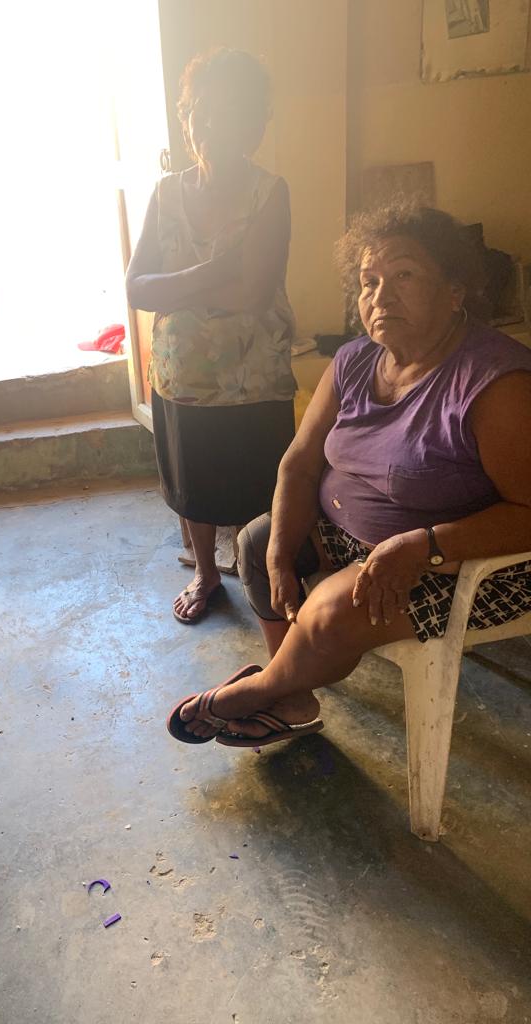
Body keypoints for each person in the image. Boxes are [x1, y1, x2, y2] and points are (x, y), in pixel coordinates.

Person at [168, 200, 531, 747]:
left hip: (458, 563)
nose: (380, 297)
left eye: (404, 276)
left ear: (454, 290)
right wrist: (281, 552)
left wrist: (422, 545)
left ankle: (260, 689)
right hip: (358, 539)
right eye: (368, 282)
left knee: (335, 610)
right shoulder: (356, 360)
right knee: (259, 543)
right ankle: (291, 695)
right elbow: (300, 461)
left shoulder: (494, 382)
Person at [126, 48, 297, 624]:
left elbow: (253, 294)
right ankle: (205, 572)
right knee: (192, 488)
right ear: (187, 118)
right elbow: (136, 287)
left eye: (233, 111)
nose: (214, 125)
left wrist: (176, 286)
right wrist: (213, 271)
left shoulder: (270, 192)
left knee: (263, 484)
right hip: (182, 377)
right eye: (203, 110)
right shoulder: (165, 194)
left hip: (256, 377)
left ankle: (267, 569)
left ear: (256, 123)